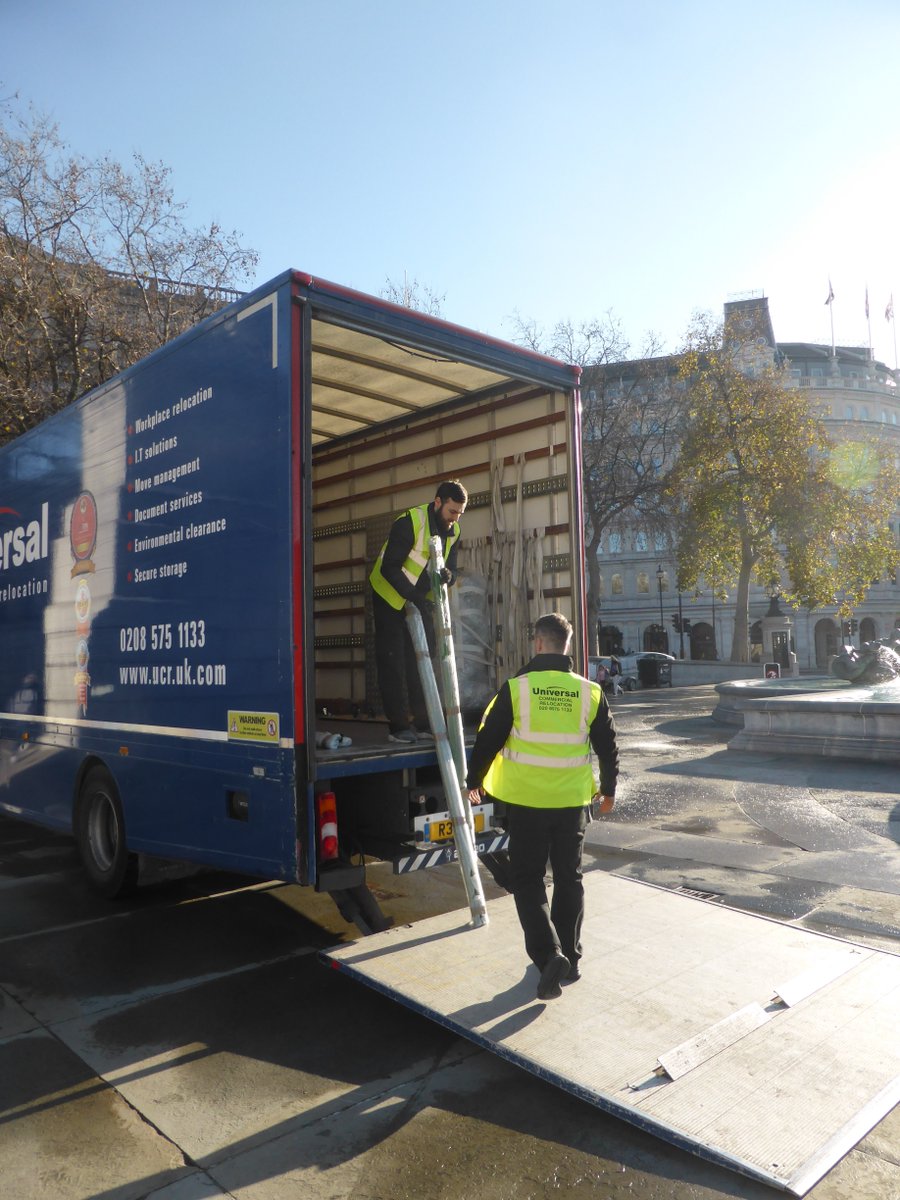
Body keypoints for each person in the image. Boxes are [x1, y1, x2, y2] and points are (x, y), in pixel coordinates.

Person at [466, 612, 618, 1000]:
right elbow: (607, 746)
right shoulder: (589, 692)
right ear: (568, 645)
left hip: (527, 804)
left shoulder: (517, 689)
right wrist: (609, 791)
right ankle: (570, 956)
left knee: (528, 880)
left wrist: (474, 782)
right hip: (571, 804)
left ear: (537, 643)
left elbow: (488, 739)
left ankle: (548, 956)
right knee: (570, 878)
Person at [369, 480, 468, 744]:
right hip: (388, 595)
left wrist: (448, 576)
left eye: (459, 513)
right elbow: (388, 569)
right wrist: (416, 598)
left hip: (418, 597)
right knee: (392, 659)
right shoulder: (409, 523)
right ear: (437, 503)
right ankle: (398, 726)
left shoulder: (454, 530)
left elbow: (451, 567)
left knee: (422, 658)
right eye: (451, 512)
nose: (455, 519)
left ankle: (423, 722)